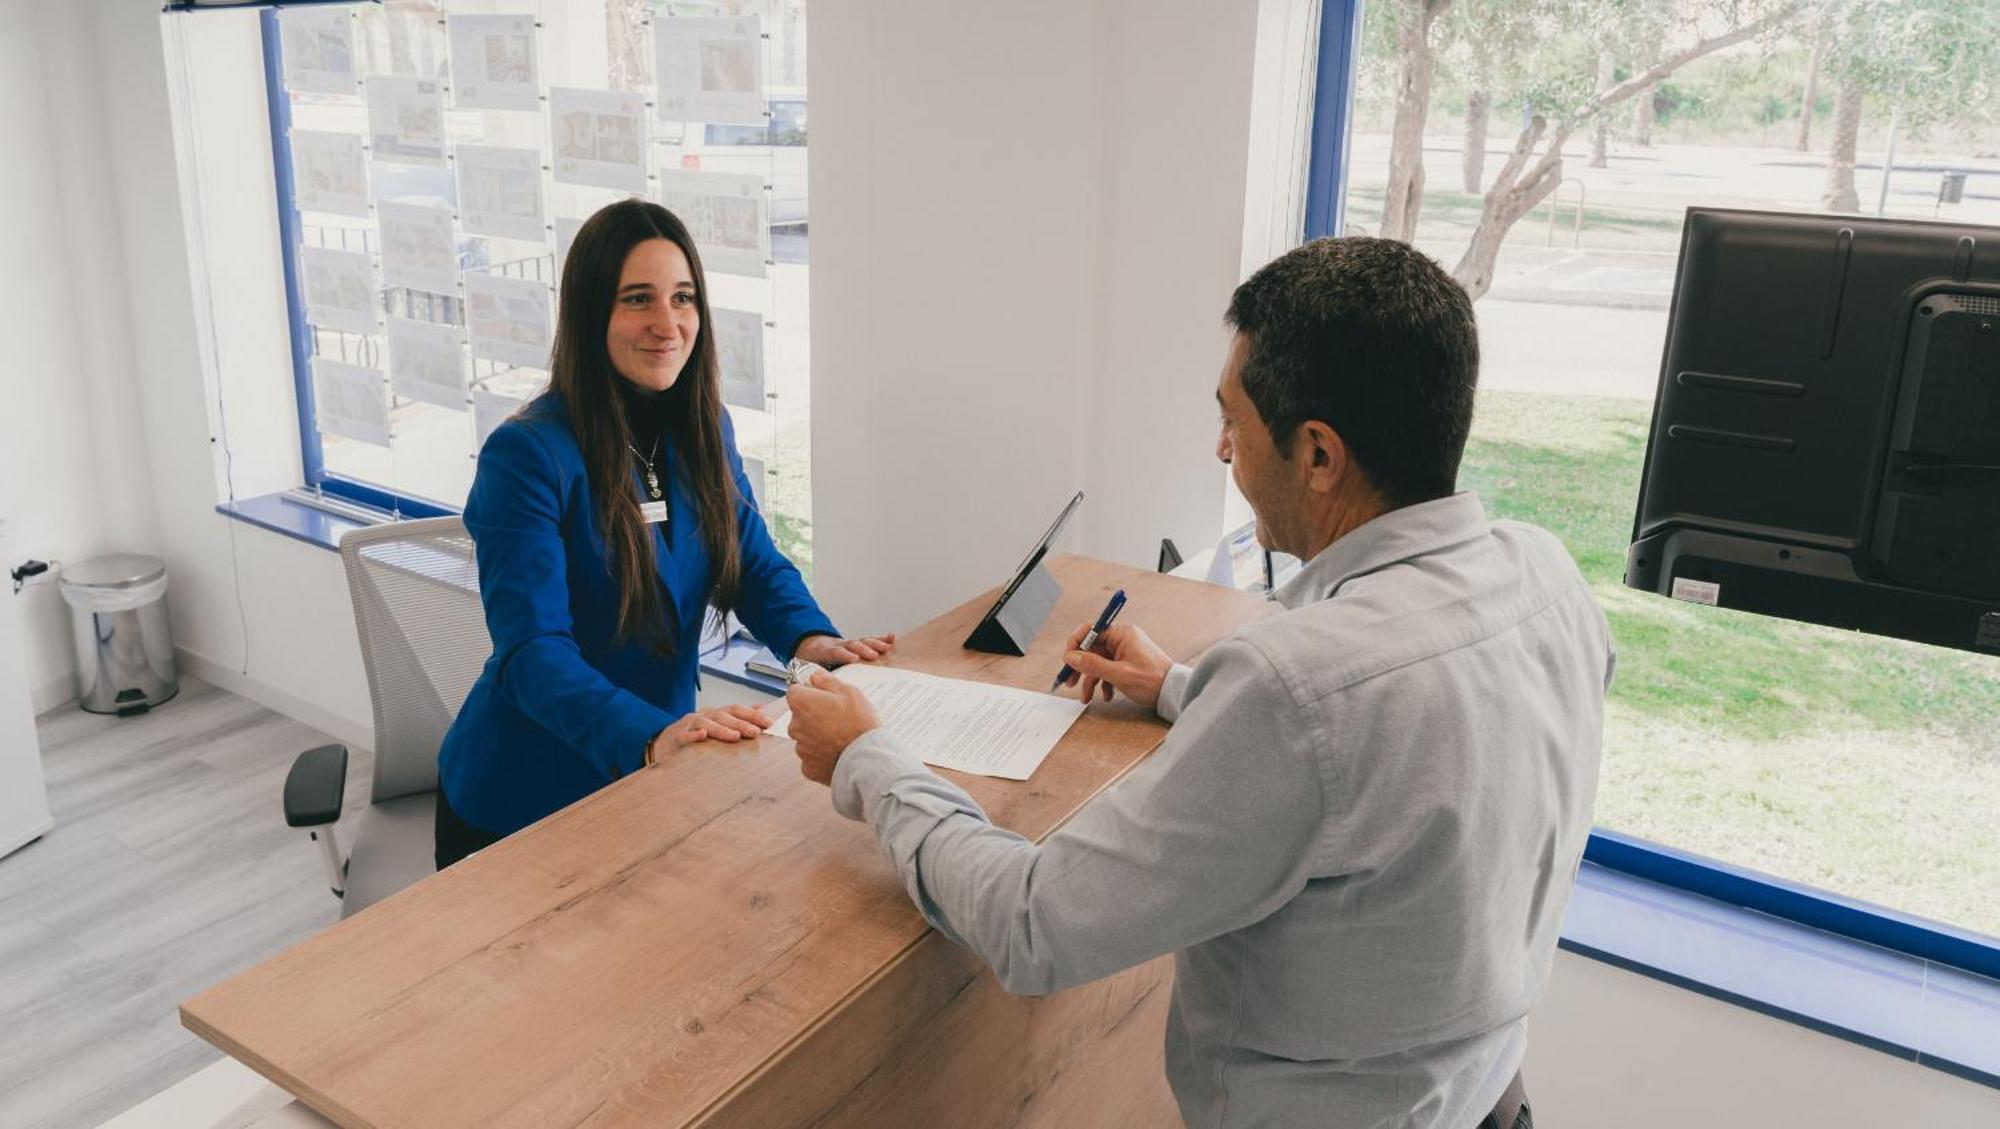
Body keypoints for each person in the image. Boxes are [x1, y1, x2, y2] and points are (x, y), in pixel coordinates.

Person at [785, 238, 1613, 1128]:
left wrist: (866, 758)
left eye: (1235, 422)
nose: (1222, 449)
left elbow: (1036, 925)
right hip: (1493, 1097)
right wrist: (1182, 685)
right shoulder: (1547, 577)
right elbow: (1391, 757)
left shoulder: (1298, 688)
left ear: (1319, 454)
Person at [436, 199, 892, 870]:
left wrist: (811, 639)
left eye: (682, 298)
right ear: (593, 314)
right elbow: (531, 652)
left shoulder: (703, 428)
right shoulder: (527, 454)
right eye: (637, 300)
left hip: (657, 774)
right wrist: (653, 735)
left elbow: (751, 561)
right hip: (526, 799)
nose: (666, 323)